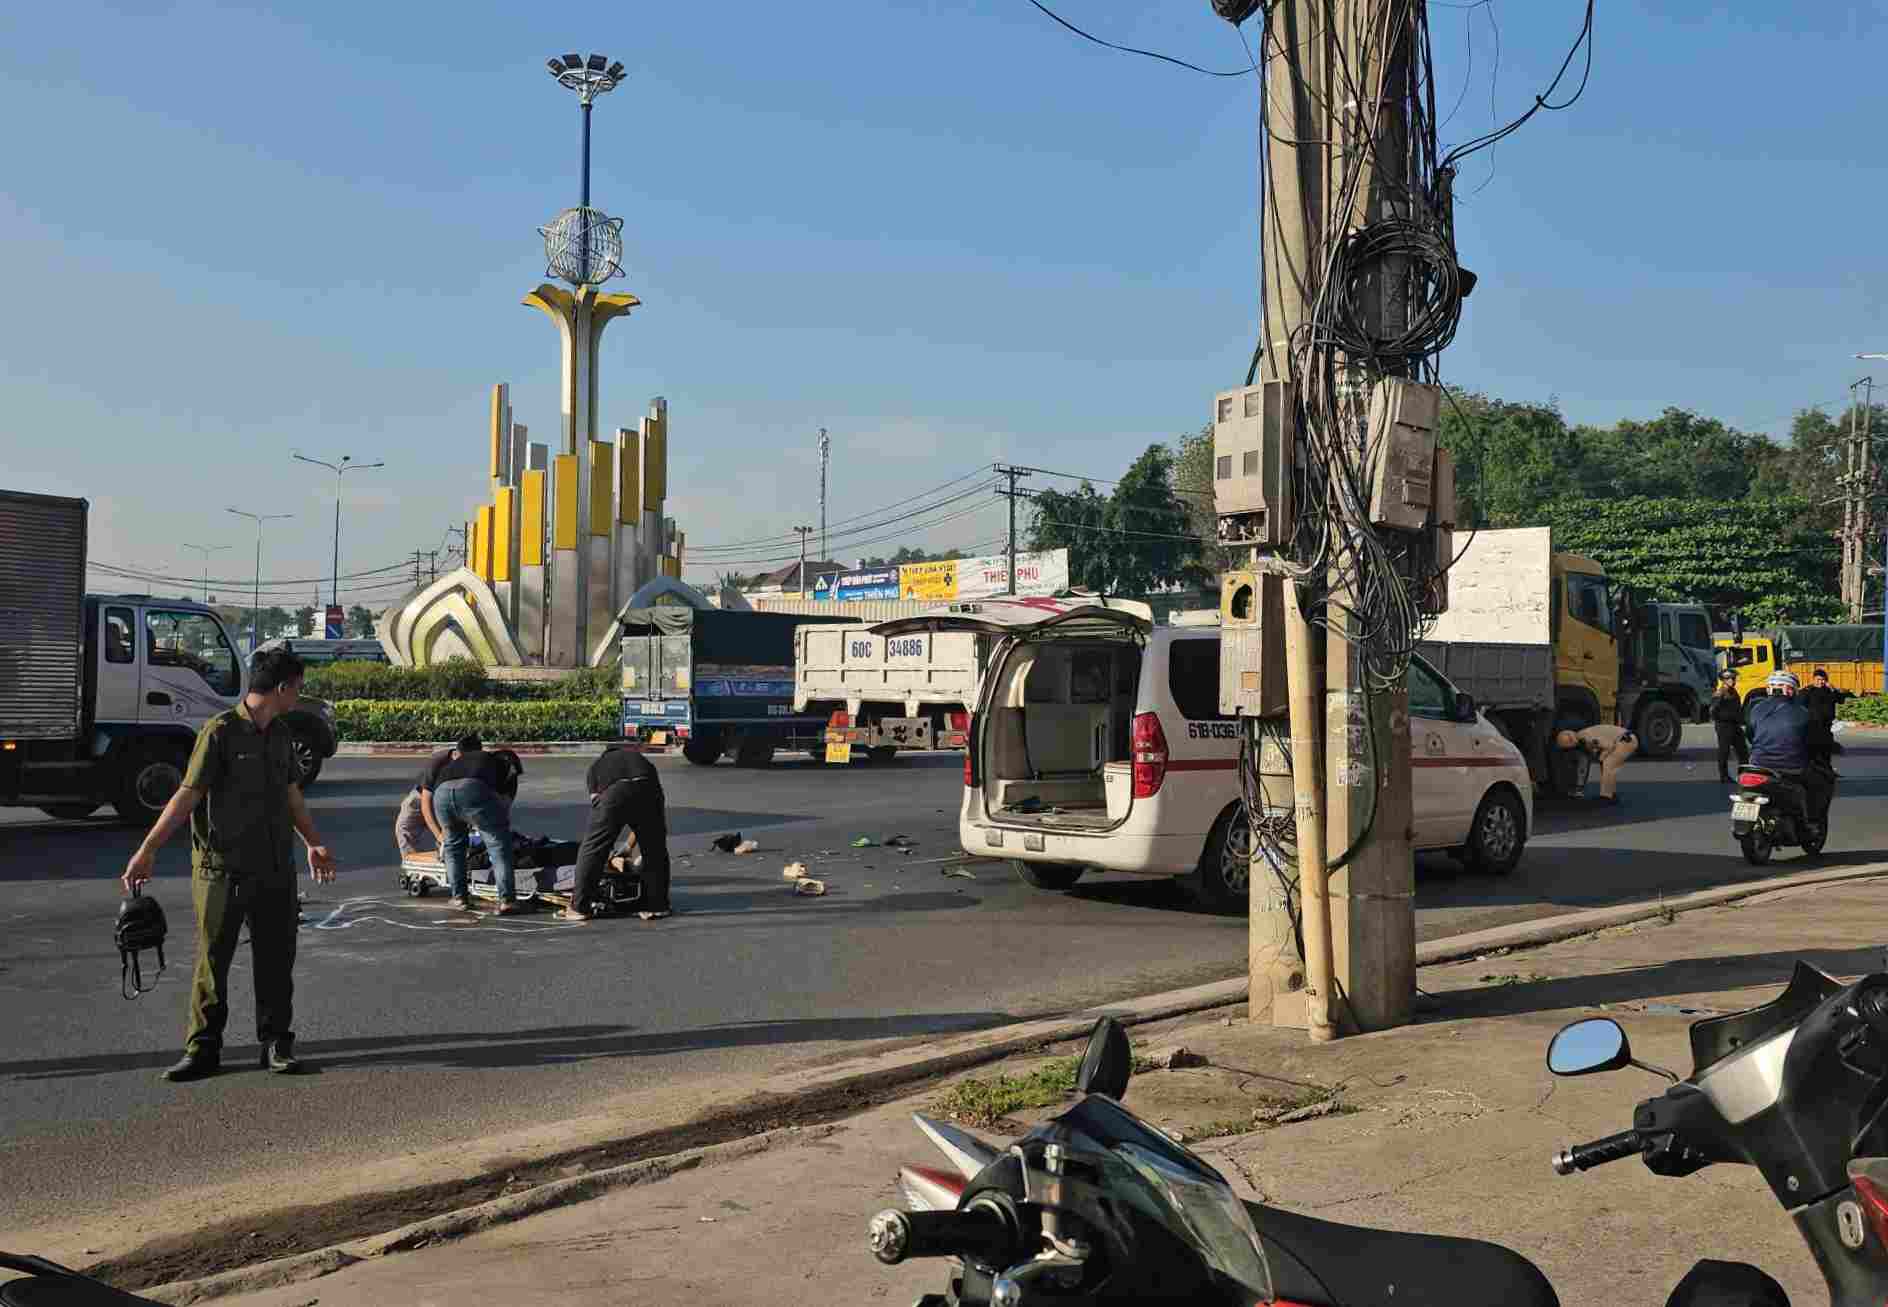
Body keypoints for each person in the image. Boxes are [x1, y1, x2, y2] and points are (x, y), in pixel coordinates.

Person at [121, 647, 336, 1082]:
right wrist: (148, 849)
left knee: (277, 960)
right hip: (222, 870)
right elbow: (186, 795)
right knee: (212, 961)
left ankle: (276, 1043)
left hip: (275, 869)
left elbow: (293, 794)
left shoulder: (280, 734)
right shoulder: (219, 733)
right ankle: (202, 1050)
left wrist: (314, 843)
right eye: (297, 688)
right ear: (281, 688)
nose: (298, 696)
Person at [565, 744, 672, 923]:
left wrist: (607, 841)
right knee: (655, 849)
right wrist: (629, 846)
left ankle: (579, 907)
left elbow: (598, 805)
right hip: (648, 788)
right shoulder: (641, 760)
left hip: (614, 792)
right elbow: (647, 821)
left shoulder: (597, 766)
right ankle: (657, 906)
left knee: (593, 849)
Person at [428, 734, 522, 914]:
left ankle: (458, 898)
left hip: (441, 794)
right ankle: (507, 900)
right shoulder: (504, 759)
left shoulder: (457, 762)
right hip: (472, 788)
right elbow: (506, 797)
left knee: (454, 847)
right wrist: (499, 822)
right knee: (498, 845)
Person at [1747, 670, 1834, 828]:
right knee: (1821, 782)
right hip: (1791, 766)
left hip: (1757, 765)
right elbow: (1814, 741)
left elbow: (1750, 734)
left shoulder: (1755, 708)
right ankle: (1811, 822)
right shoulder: (1803, 712)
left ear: (1769, 689)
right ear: (1792, 690)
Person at [1555, 723, 1638, 803]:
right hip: (1625, 739)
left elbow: (1609, 746)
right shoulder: (1582, 736)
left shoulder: (1587, 738)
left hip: (1626, 741)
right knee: (1606, 765)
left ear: (1572, 743)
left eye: (1569, 749)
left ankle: (1606, 797)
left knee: (1607, 764)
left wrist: (1601, 757)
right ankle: (1610, 794)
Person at [395, 746, 453, 858]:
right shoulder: (438, 760)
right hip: (421, 797)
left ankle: (450, 866)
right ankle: (413, 868)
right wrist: (438, 835)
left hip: (450, 800)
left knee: (450, 837)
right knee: (404, 830)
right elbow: (426, 804)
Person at [1710, 670, 1749, 783]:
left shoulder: (1733, 691)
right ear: (1724, 680)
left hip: (1735, 725)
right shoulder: (1720, 693)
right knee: (1724, 751)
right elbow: (1713, 711)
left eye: (1733, 678)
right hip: (1724, 726)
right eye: (1730, 679)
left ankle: (1744, 775)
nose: (1733, 681)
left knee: (1743, 751)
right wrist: (1727, 717)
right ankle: (1724, 776)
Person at [1799, 668, 1843, 764]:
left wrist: (1833, 689)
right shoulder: (1807, 691)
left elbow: (1840, 700)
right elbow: (1800, 705)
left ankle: (1827, 769)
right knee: (1813, 751)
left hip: (1826, 726)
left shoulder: (1829, 691)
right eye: (1818, 679)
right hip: (1812, 726)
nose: (1820, 682)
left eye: (1823, 680)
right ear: (1813, 679)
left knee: (1826, 750)